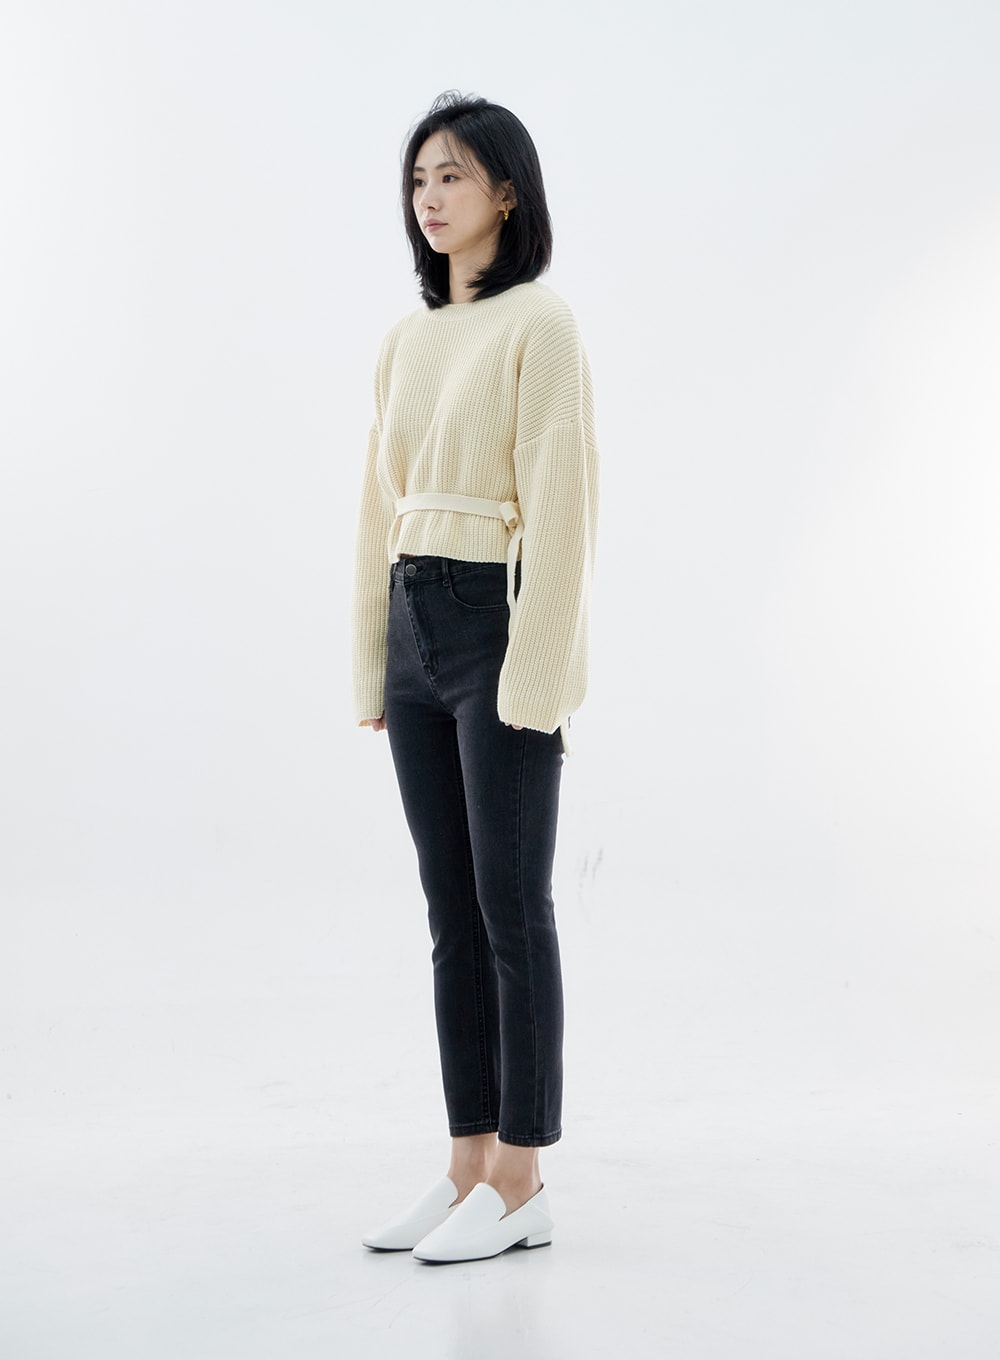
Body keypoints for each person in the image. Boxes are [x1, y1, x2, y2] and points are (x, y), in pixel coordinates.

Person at [351, 91, 599, 1263]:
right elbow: (377, 508)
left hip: (495, 620)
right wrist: (372, 661)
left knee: (512, 908)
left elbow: (563, 506)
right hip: (415, 619)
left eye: (451, 175)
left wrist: (540, 677)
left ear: (506, 191)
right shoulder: (405, 341)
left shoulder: (540, 324)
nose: (430, 197)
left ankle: (522, 1176)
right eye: (418, 179)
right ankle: (465, 1165)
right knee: (450, 914)